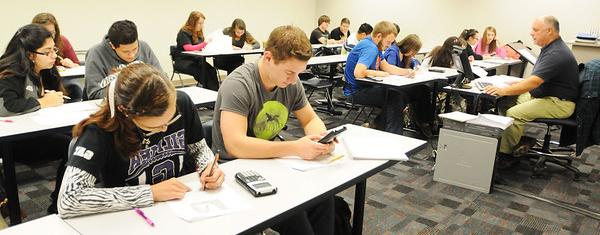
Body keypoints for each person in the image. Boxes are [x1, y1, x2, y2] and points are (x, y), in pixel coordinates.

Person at [58, 63, 223, 218]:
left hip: (180, 203)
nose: (166, 128)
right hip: (130, 215)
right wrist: (150, 193)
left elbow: (198, 148)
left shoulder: (181, 102)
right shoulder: (100, 131)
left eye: (171, 119)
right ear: (127, 112)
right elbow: (68, 199)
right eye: (158, 124)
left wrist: (208, 166)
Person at [212, 25, 334, 234]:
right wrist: (295, 148)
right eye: (290, 72)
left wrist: (321, 137)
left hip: (270, 161)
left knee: (324, 198)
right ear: (268, 58)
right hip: (234, 168)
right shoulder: (239, 84)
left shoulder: (290, 83)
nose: (294, 79)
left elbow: (310, 119)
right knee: (294, 212)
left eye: (298, 73)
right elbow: (235, 146)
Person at [484, 16, 578, 168]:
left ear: (549, 31)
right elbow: (537, 79)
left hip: (558, 103)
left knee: (514, 113)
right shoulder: (550, 48)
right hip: (548, 96)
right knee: (508, 101)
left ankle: (505, 155)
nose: (531, 33)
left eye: (535, 30)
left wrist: (503, 89)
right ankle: (518, 139)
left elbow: (534, 82)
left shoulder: (556, 53)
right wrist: (516, 84)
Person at [0, 24, 70, 213]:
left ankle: (60, 202)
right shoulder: (10, 72)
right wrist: (43, 102)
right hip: (13, 139)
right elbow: (6, 106)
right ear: (30, 55)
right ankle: (57, 206)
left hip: (38, 129)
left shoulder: (48, 70)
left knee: (80, 141)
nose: (54, 55)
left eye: (54, 49)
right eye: (47, 52)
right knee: (72, 147)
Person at [344, 21, 419, 135]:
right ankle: (393, 136)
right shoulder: (370, 48)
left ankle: (377, 125)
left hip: (366, 87)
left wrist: (406, 72)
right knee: (396, 97)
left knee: (400, 96)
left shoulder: (375, 47)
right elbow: (358, 73)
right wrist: (379, 73)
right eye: (388, 42)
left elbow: (387, 67)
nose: (389, 45)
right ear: (379, 36)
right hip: (356, 91)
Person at [85, 20, 162, 100]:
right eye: (126, 52)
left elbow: (162, 79)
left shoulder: (144, 47)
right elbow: (94, 94)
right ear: (112, 46)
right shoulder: (96, 53)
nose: (132, 55)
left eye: (135, 49)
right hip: (110, 106)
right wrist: (131, 91)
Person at [383, 34, 435, 137]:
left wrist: (415, 66)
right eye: (414, 51)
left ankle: (424, 121)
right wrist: (406, 72)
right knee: (402, 97)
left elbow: (414, 63)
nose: (414, 54)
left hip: (401, 86)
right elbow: (391, 69)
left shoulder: (406, 56)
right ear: (408, 47)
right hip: (391, 87)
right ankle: (381, 122)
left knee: (424, 90)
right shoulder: (393, 52)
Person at [32, 12, 84, 101]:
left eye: (52, 33)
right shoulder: (31, 45)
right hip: (38, 82)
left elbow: (77, 65)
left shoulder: (62, 41)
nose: (54, 55)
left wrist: (72, 65)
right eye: (47, 52)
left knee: (74, 89)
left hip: (57, 80)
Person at [174, 11, 219, 91]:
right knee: (202, 72)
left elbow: (200, 47)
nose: (201, 25)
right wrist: (204, 43)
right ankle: (207, 92)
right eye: (199, 23)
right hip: (184, 61)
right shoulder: (183, 32)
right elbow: (188, 48)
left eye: (202, 23)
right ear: (193, 22)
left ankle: (215, 93)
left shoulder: (199, 33)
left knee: (211, 70)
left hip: (196, 60)